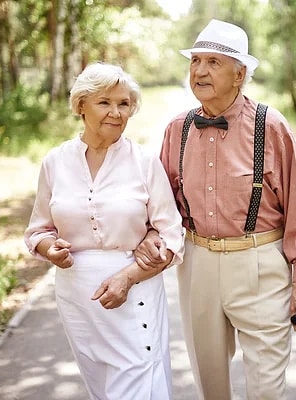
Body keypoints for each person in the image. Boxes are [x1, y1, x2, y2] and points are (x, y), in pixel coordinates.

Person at [136, 19, 296, 400]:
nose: (199, 71)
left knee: (266, 391)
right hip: (198, 265)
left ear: (239, 74)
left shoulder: (270, 126)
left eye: (213, 62)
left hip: (260, 265)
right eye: (195, 61)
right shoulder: (176, 129)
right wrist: (150, 235)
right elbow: (162, 205)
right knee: (211, 385)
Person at [24, 62, 184, 400]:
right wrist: (48, 248)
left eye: (124, 104)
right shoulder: (55, 161)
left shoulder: (144, 162)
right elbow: (38, 229)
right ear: (81, 105)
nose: (116, 112)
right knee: (101, 387)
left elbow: (172, 236)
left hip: (134, 289)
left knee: (138, 381)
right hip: (77, 296)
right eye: (105, 102)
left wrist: (128, 276)